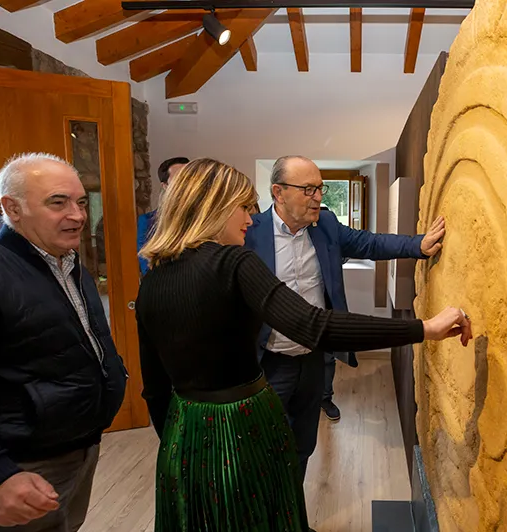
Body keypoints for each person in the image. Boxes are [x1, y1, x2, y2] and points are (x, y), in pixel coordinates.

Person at [135, 158, 471, 532]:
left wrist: (177, 444)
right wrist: (422, 329)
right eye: (242, 208)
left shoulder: (151, 281)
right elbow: (314, 324)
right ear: (213, 207)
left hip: (184, 432)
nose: (249, 218)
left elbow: (154, 387)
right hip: (244, 417)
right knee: (260, 505)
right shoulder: (234, 261)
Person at [244, 155, 446, 478]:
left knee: (303, 445)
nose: (318, 197)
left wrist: (418, 245)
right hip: (269, 364)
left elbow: (370, 243)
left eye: (320, 188)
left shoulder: (325, 225)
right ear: (278, 193)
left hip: (312, 360)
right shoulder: (249, 234)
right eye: (308, 189)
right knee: (263, 448)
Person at [0, 153, 128, 531]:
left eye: (80, 202)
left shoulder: (69, 263)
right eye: (58, 202)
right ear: (13, 208)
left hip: (79, 446)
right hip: (23, 465)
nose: (77, 215)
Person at [136, 156, 188, 274]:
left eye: (190, 178)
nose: (186, 184)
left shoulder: (207, 216)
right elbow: (147, 267)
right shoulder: (149, 222)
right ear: (165, 186)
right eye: (179, 179)